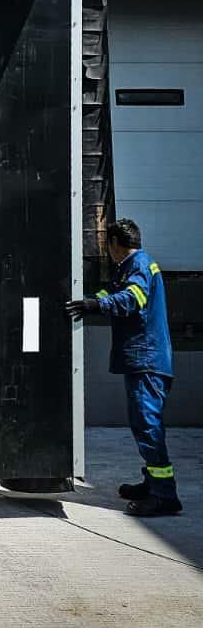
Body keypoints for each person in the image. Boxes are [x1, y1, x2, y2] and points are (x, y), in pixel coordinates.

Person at [66, 218, 181, 517]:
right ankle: (153, 481)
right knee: (143, 423)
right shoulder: (131, 266)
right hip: (144, 360)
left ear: (115, 244)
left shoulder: (140, 266)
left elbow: (132, 298)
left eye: (108, 245)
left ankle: (164, 495)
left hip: (148, 360)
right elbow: (114, 291)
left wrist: (96, 306)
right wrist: (91, 300)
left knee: (147, 424)